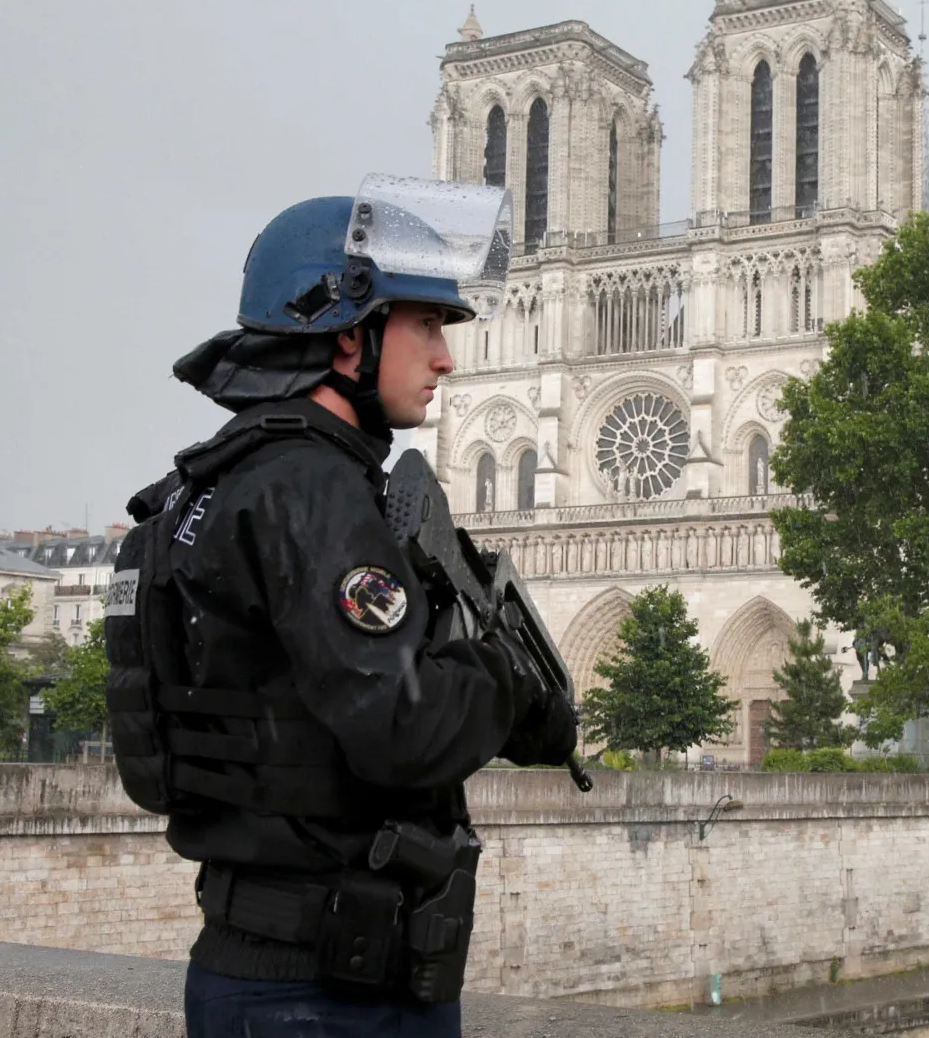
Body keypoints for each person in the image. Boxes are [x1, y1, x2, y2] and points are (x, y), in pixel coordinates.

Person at [106, 176, 578, 1038]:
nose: (445, 357)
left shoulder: (203, 483)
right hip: (329, 995)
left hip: (260, 960)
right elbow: (405, 729)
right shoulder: (313, 488)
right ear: (349, 333)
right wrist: (503, 678)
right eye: (427, 325)